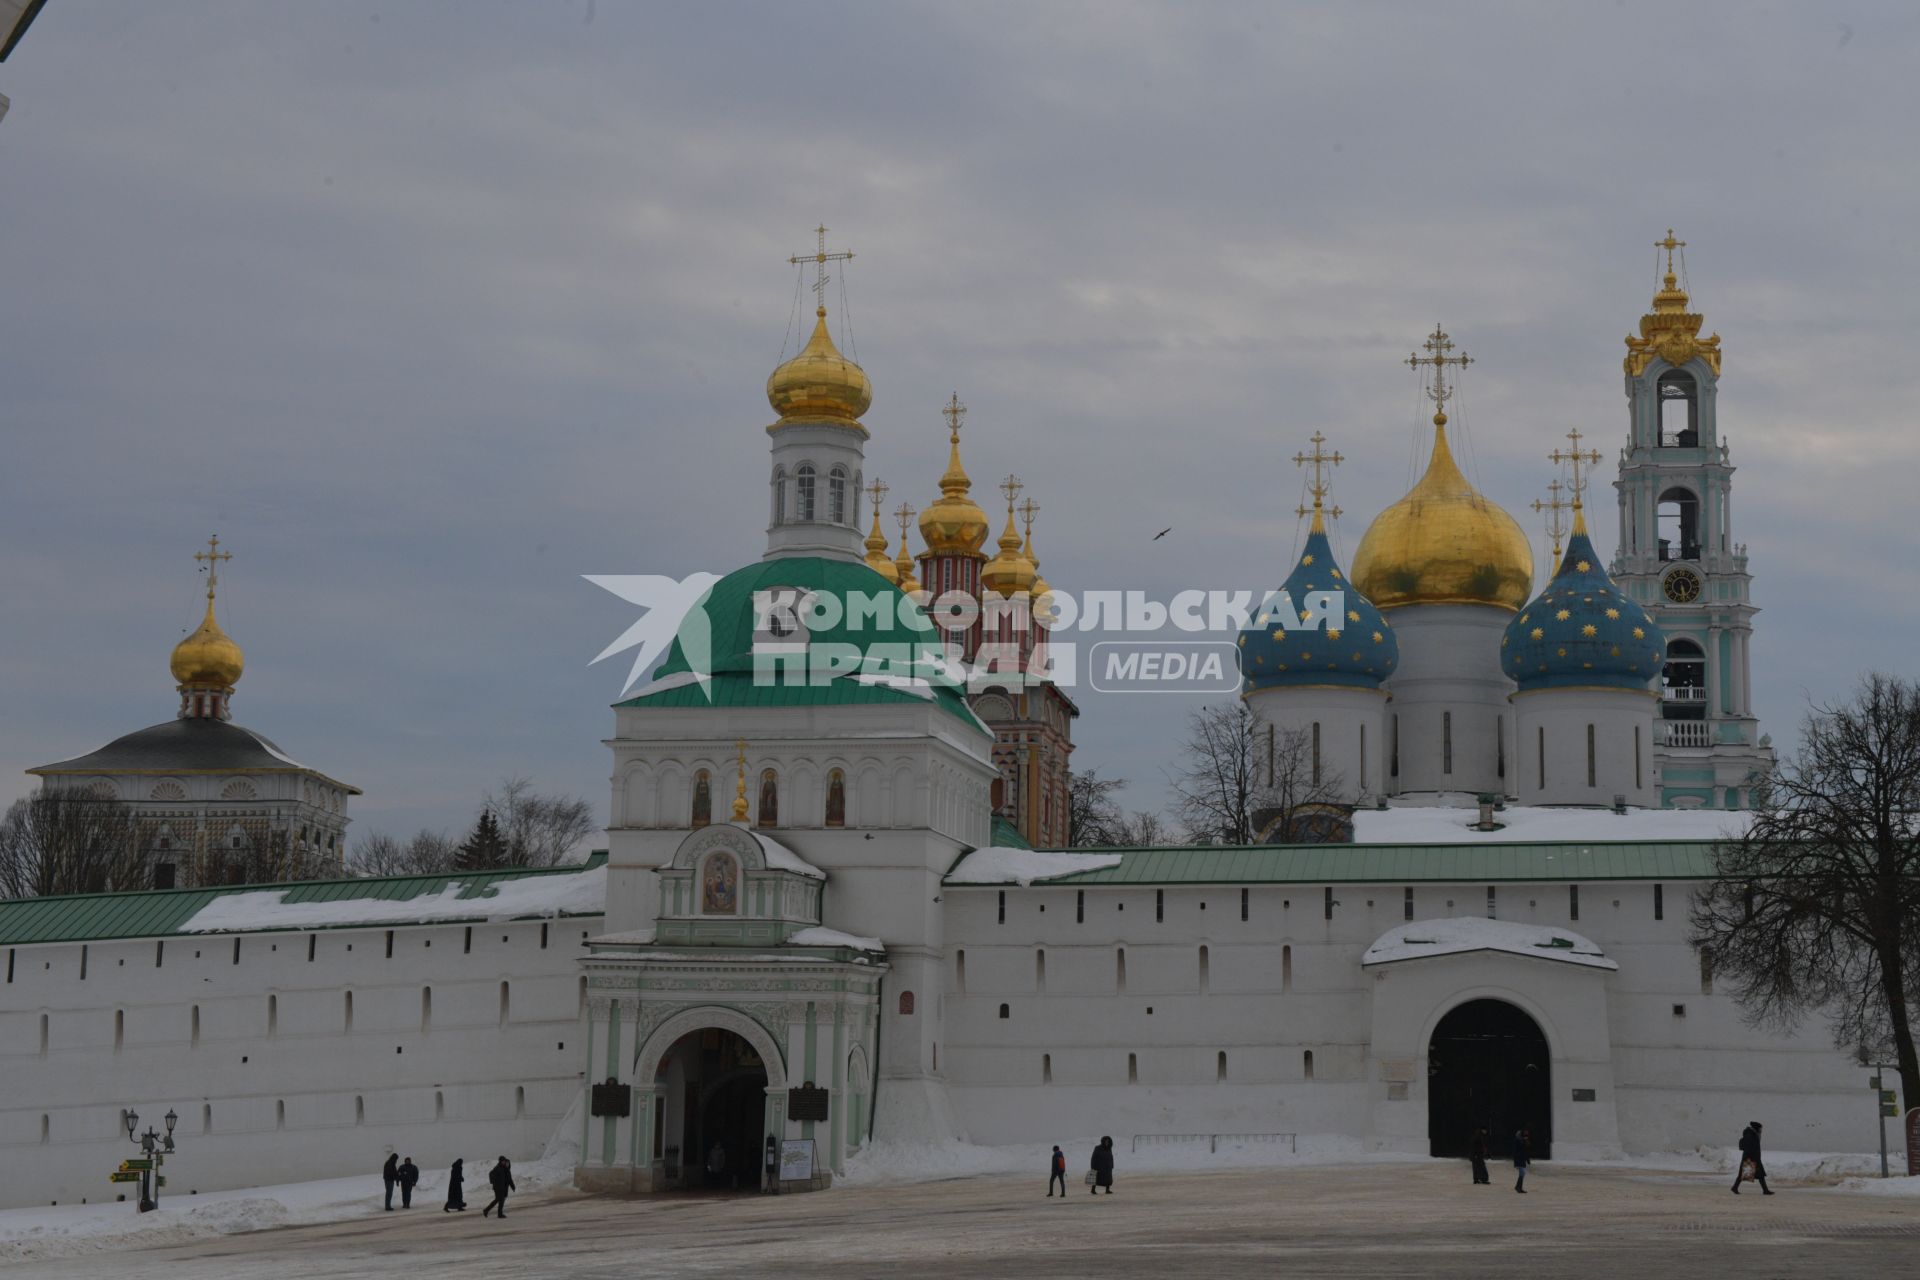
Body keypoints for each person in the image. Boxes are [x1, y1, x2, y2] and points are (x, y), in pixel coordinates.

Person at [1733, 1120, 1773, 1195]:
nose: (1761, 1130)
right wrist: (1750, 1159)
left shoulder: (1754, 1134)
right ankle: (1735, 1187)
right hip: (1750, 1158)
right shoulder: (1750, 1135)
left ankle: (1765, 1190)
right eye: (1760, 1128)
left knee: (1760, 1174)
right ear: (1756, 1128)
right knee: (1744, 1174)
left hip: (1754, 1157)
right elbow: (1749, 1148)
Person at [1513, 1127, 1531, 1194]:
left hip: (1522, 1159)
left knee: (1522, 1174)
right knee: (1522, 1173)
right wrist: (1515, 1161)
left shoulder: (1524, 1140)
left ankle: (1518, 1187)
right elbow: (1515, 1151)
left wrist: (1527, 1159)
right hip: (1519, 1159)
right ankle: (1518, 1187)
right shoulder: (1518, 1140)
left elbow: (1526, 1150)